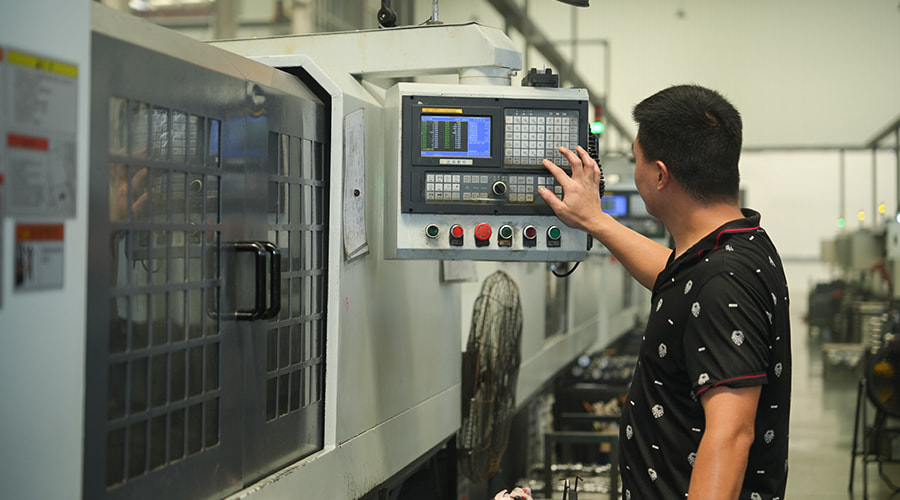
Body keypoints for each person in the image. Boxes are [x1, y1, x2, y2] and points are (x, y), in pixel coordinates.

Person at [537, 84, 791, 499]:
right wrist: (595, 220)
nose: (634, 172)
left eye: (635, 160)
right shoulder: (737, 244)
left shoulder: (723, 280)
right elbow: (678, 279)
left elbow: (731, 436)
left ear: (659, 174)